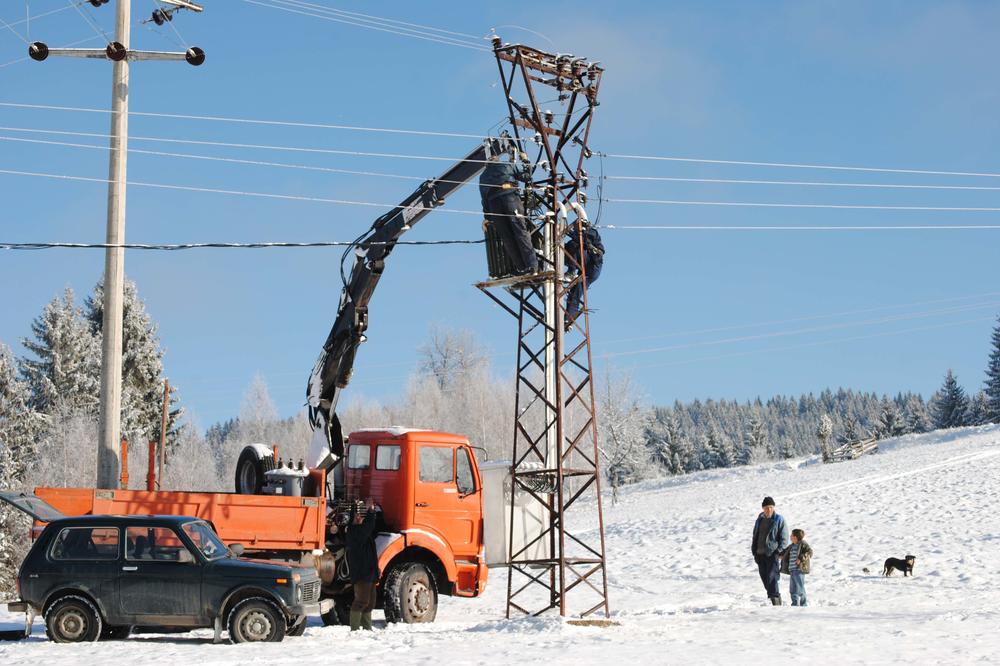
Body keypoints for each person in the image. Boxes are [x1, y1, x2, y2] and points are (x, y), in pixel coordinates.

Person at [480, 156, 538, 276]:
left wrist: (489, 217)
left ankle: (521, 268)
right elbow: (526, 177)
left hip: (494, 204)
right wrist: (527, 163)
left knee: (507, 237)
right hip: (510, 198)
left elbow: (484, 200)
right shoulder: (507, 165)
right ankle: (532, 266)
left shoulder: (483, 176)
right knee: (520, 232)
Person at [346, 498, 379, 631]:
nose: (359, 518)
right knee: (361, 601)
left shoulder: (359, 532)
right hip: (362, 573)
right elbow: (369, 526)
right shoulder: (355, 533)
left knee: (370, 603)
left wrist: (355, 507)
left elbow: (368, 527)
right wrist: (370, 510)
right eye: (356, 517)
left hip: (370, 572)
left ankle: (367, 628)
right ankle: (354, 629)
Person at [750, 496, 790, 605]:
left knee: (772, 577)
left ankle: (776, 602)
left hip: (772, 554)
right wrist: (754, 550)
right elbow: (755, 535)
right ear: (763, 508)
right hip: (760, 554)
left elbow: (785, 538)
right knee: (764, 578)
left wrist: (778, 551)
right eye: (767, 507)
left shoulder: (779, 519)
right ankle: (775, 597)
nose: (769, 510)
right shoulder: (759, 520)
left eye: (771, 507)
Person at [564, 222, 604, 323]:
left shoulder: (591, 233)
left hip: (592, 267)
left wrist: (591, 247)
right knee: (575, 292)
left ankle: (571, 271)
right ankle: (568, 319)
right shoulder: (579, 233)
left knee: (572, 244)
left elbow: (598, 251)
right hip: (587, 266)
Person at [781, 528, 813, 607]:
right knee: (793, 589)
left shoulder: (802, 544)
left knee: (800, 588)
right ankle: (794, 604)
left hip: (799, 570)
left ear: (795, 537)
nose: (790, 537)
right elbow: (784, 552)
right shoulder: (792, 546)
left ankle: (803, 604)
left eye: (791, 535)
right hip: (792, 570)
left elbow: (809, 552)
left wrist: (801, 558)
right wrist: (780, 555)